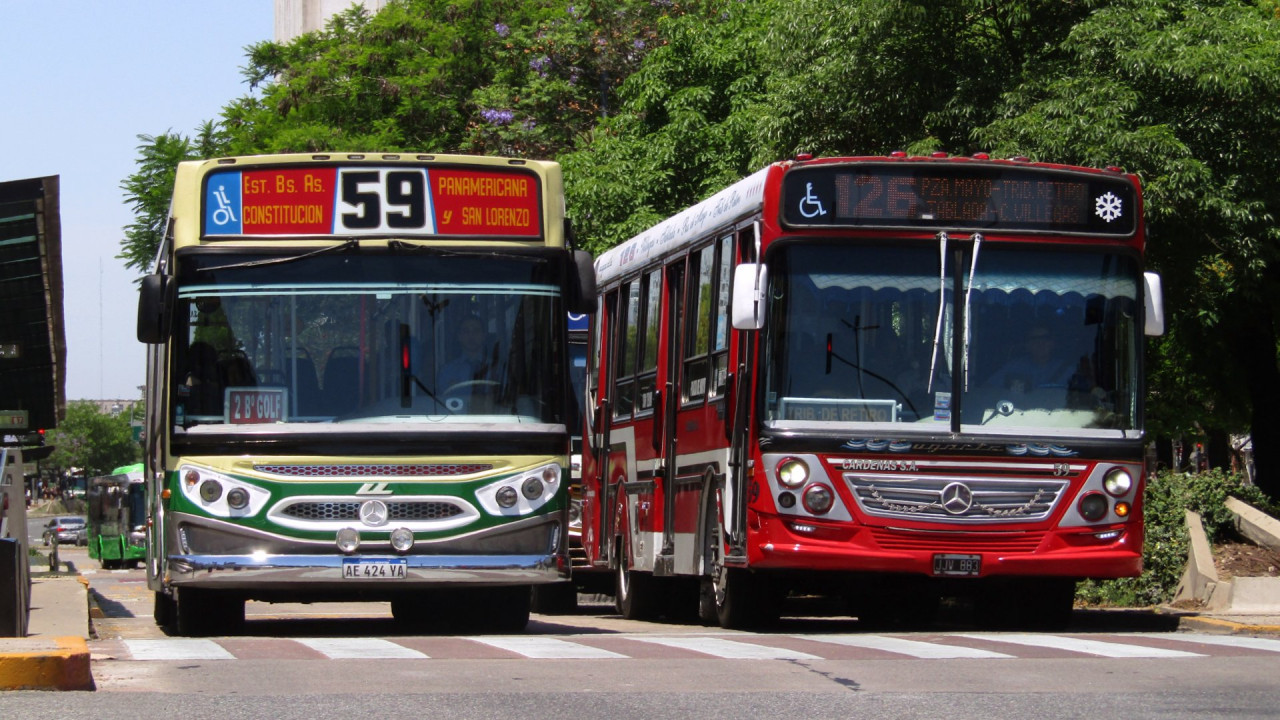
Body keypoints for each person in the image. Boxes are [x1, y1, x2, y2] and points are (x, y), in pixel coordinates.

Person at [439, 315, 499, 409]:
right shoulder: (447, 371)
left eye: (476, 331)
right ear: (459, 336)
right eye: (466, 331)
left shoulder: (496, 369)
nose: (471, 336)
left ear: (484, 335)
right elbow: (441, 401)